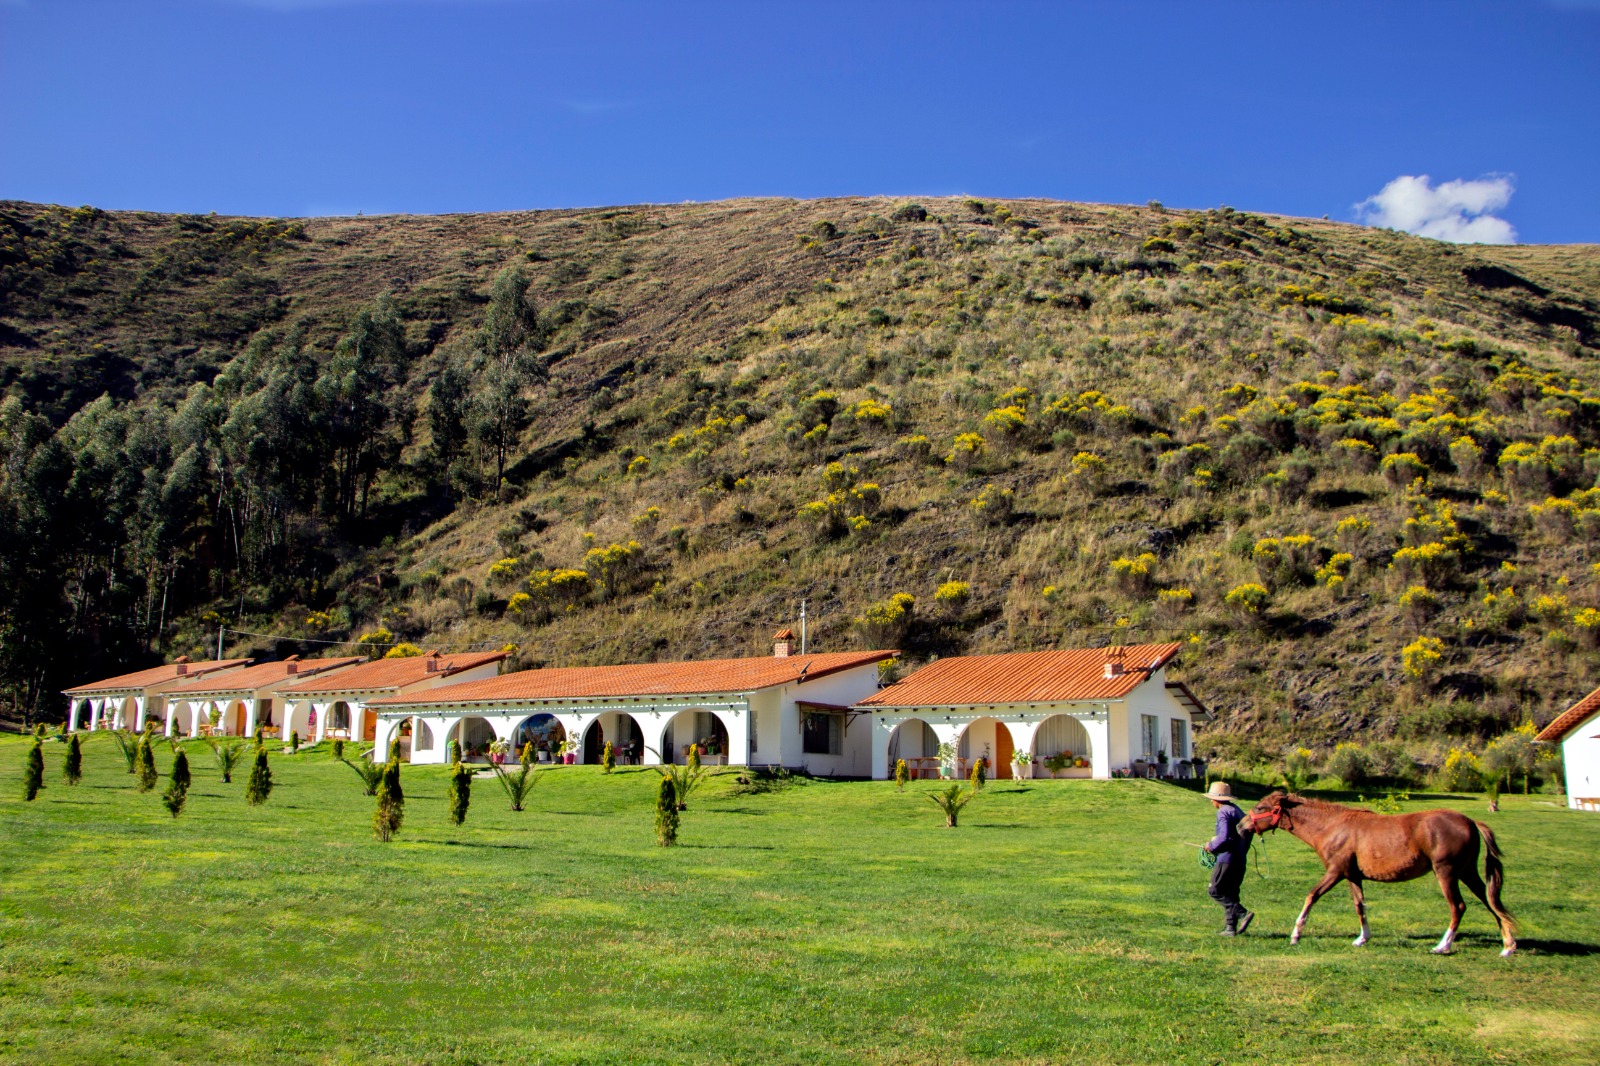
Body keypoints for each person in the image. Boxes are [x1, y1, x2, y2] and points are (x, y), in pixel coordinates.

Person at [1203, 780, 1254, 936]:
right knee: (1231, 893)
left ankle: (1242, 913)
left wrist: (1211, 846)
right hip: (1239, 858)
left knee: (1215, 890)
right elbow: (1248, 834)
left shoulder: (1223, 812)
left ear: (1217, 799)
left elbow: (1224, 837)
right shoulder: (1238, 811)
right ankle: (1230, 928)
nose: (1211, 801)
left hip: (1226, 858)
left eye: (1212, 798)